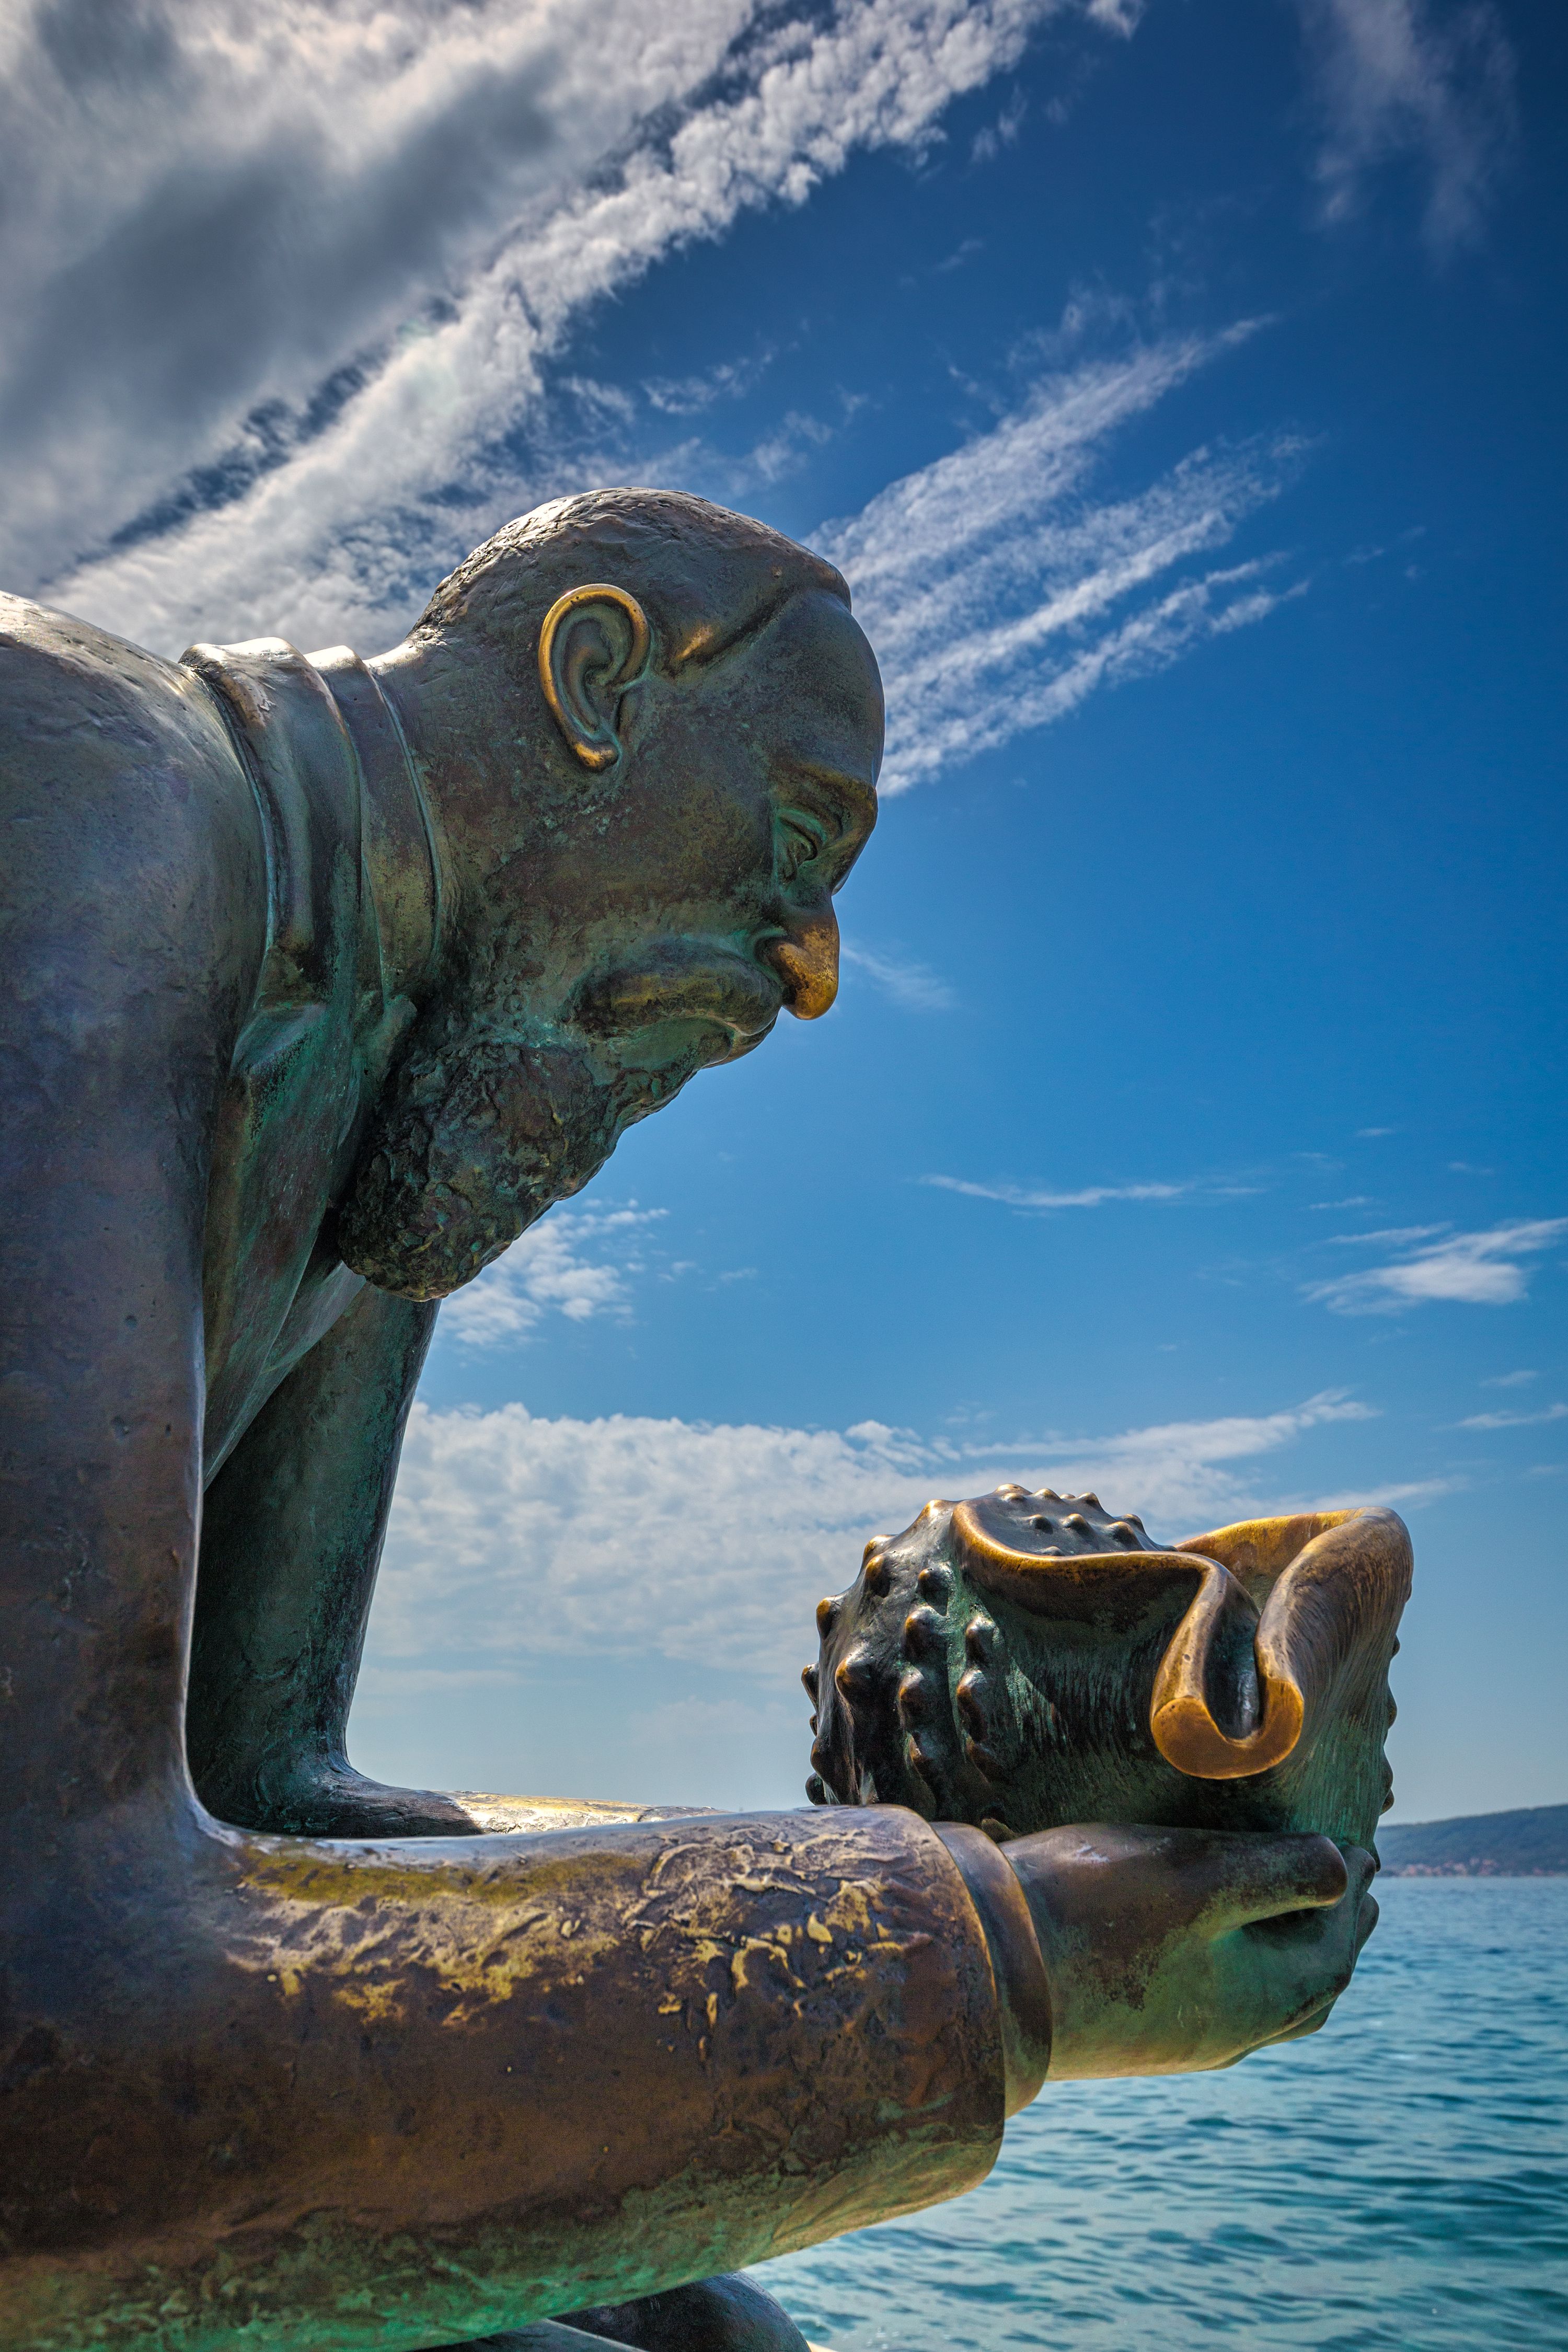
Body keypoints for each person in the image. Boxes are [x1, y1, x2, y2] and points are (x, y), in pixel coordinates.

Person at [0, 490, 1377, 2352]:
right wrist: (1010, 1953)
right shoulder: (90, 805)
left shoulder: (382, 1126)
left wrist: (1015, 1826)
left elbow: (276, 1812)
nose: (814, 968)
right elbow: (53, 2012)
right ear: (596, 678)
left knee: (715, 2340)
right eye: (803, 834)